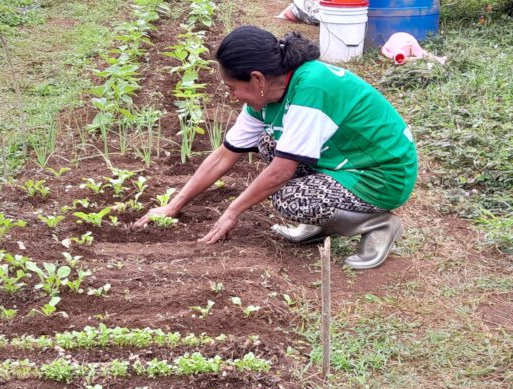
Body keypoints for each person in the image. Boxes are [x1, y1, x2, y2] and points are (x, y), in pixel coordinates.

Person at [135, 25, 417, 269]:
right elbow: (224, 154)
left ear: (257, 78)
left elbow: (282, 171)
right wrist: (173, 206)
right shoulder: (266, 97)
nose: (230, 95)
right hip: (344, 161)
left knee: (290, 198)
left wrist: (232, 212)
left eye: (231, 87)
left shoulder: (311, 87)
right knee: (270, 142)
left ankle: (377, 224)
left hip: (381, 174)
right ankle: (321, 221)